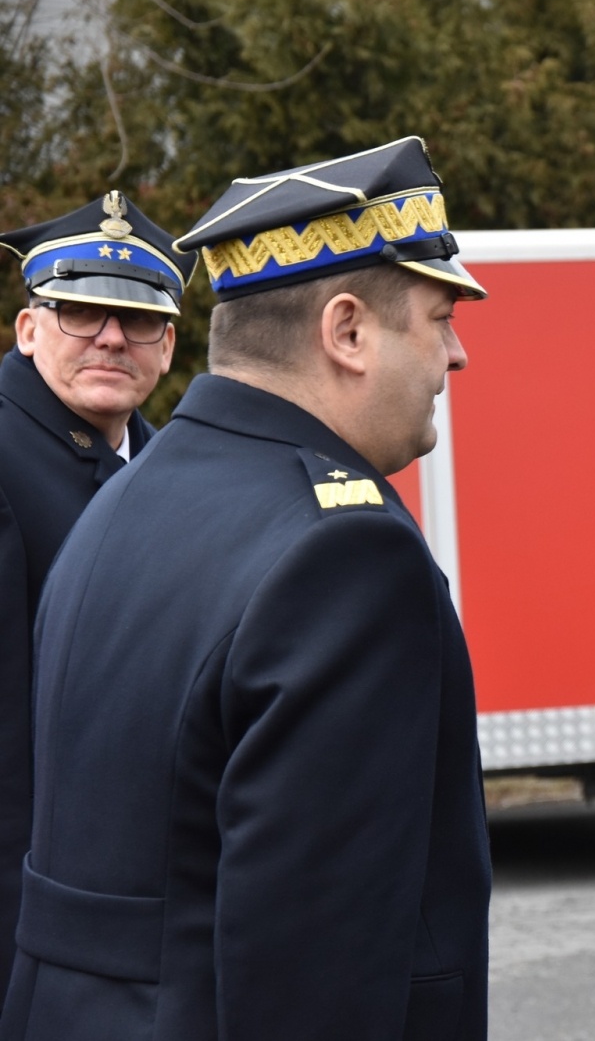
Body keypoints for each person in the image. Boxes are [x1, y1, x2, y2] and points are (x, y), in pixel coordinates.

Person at [0, 136, 492, 1041]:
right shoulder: (346, 558)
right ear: (347, 331)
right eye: (438, 318)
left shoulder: (124, 495)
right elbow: (318, 973)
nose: (455, 357)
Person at [0, 194, 192, 1010]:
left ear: (170, 344)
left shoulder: (170, 470)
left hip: (132, 909)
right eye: (79, 310)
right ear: (28, 329)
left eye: (137, 318)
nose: (111, 336)